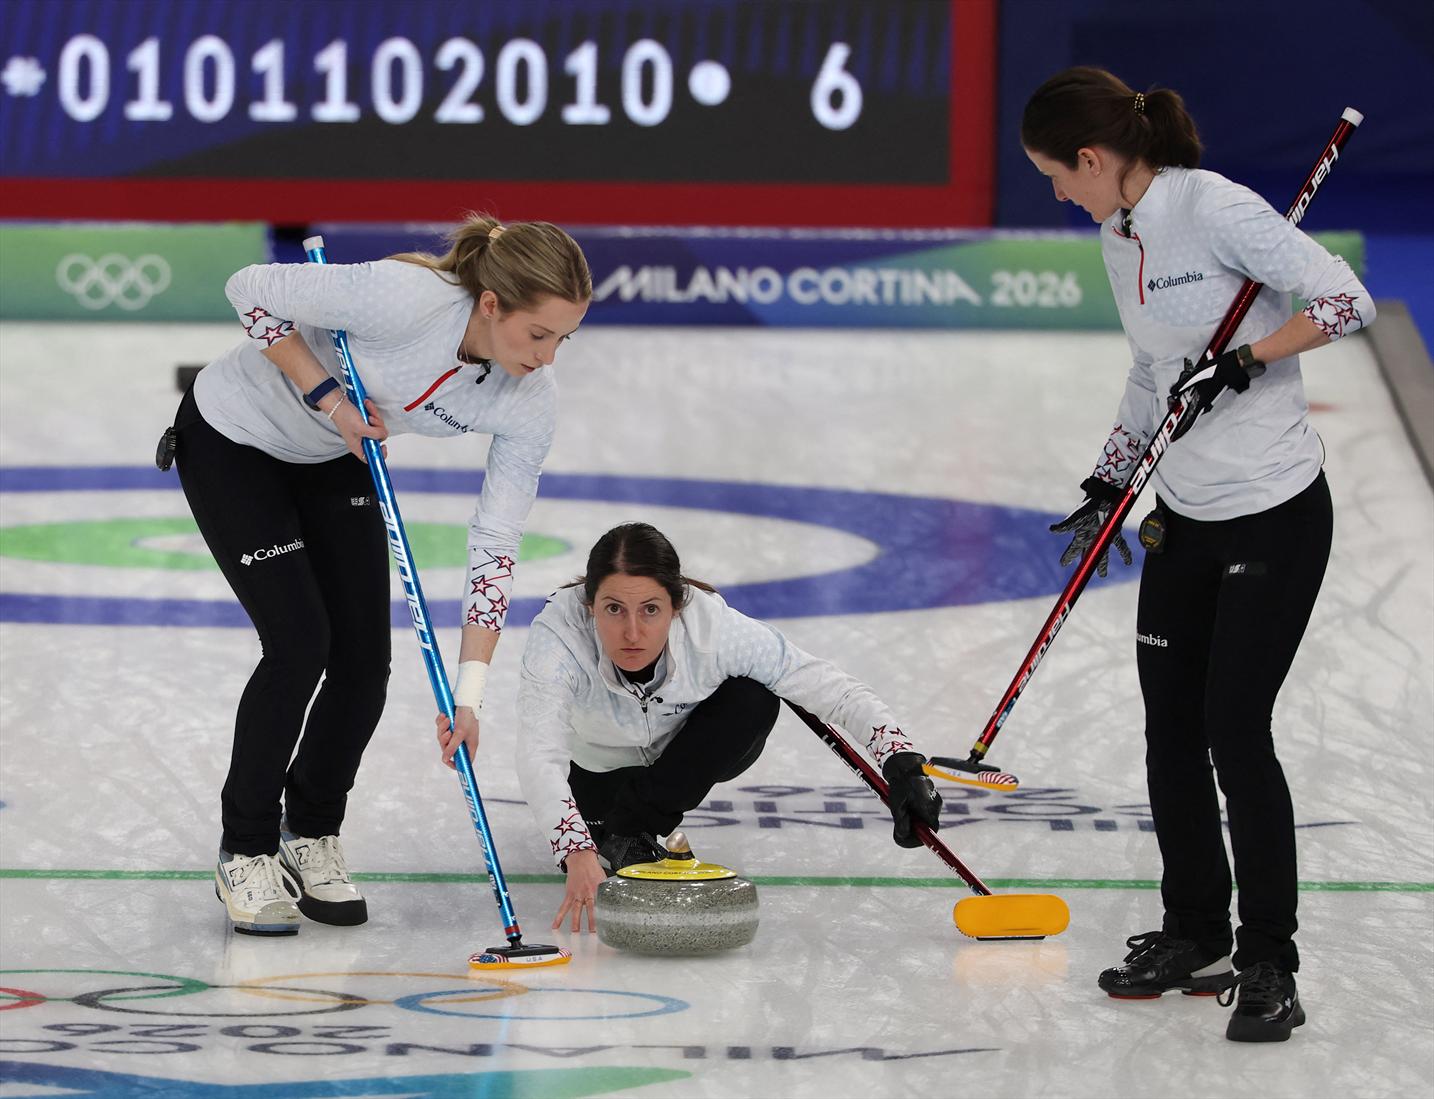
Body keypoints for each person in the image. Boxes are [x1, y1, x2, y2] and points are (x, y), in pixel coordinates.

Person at [1022, 67, 1374, 1041]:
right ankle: (1194, 929)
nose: (1059, 195)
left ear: (1094, 158)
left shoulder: (1212, 208)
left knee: (1234, 729)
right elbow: (1149, 366)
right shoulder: (1117, 235)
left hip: (1274, 513)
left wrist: (1249, 361)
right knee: (1170, 729)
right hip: (1184, 515)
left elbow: (1348, 303)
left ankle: (1268, 958)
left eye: (1058, 175)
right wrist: (1107, 482)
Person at [169, 214, 591, 936]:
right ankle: (245, 845)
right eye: (538, 334)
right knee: (301, 642)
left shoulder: (527, 400)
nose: (549, 358)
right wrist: (328, 398)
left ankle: (311, 831)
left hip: (333, 457)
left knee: (365, 660)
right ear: (491, 304)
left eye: (564, 339)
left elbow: (495, 541)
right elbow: (250, 291)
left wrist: (470, 694)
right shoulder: (406, 299)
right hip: (234, 440)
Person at [436, 522, 944, 933]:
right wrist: (574, 848)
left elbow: (830, 687)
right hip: (595, 770)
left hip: (687, 754)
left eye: (650, 610)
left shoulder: (713, 628)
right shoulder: (558, 637)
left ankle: (634, 828)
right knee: (595, 823)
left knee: (754, 697)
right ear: (590, 606)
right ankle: (616, 828)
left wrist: (901, 761)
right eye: (613, 610)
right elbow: (540, 752)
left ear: (676, 607)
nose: (632, 631)